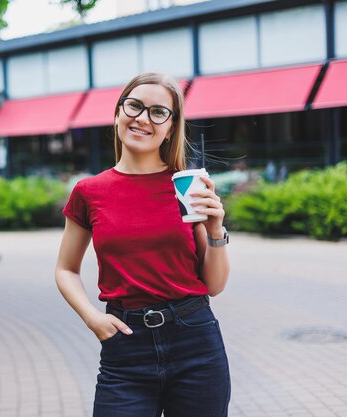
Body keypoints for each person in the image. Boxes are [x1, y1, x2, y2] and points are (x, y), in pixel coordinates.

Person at [55, 72, 231, 417]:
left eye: (158, 112)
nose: (142, 119)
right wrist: (92, 318)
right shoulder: (89, 192)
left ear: (170, 127)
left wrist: (215, 230)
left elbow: (214, 285)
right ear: (118, 112)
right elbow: (65, 269)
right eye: (134, 106)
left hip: (195, 341)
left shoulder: (187, 186)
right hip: (125, 346)